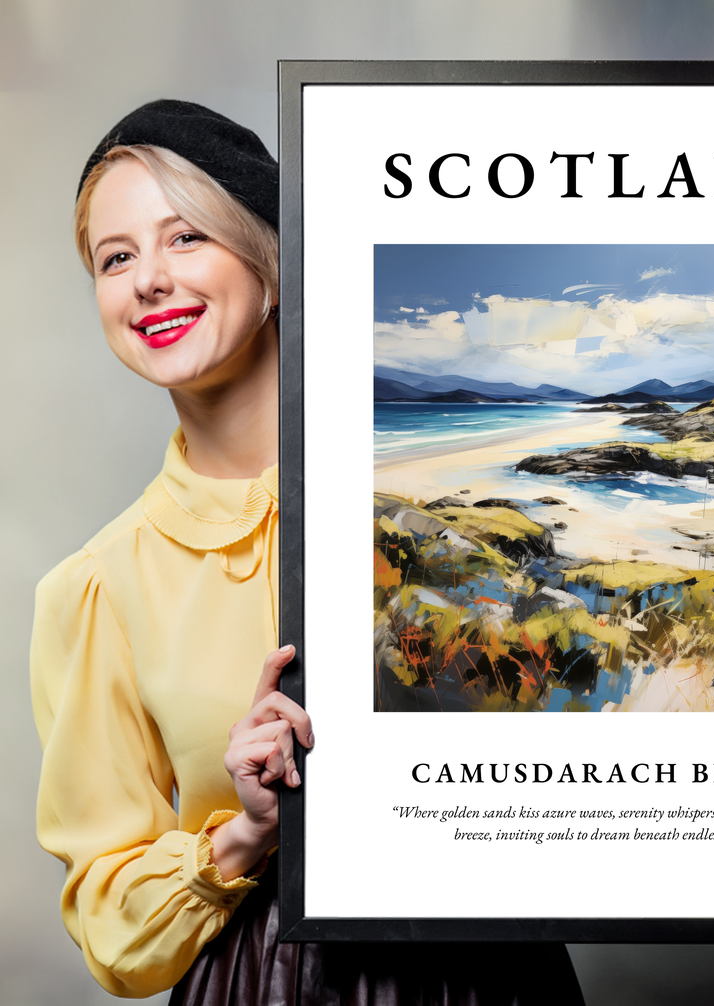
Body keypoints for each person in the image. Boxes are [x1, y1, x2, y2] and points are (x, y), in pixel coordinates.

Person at [30, 100, 585, 1004]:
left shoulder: (443, 506)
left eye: (185, 239)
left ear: (273, 264)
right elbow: (110, 923)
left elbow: (599, 720)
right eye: (116, 257)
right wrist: (245, 832)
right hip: (263, 981)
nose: (148, 281)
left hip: (492, 973)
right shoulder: (97, 587)